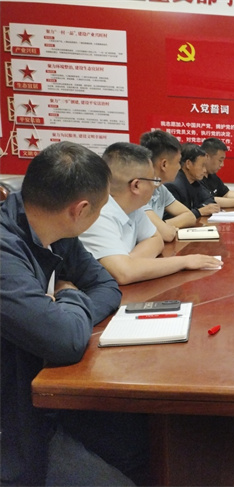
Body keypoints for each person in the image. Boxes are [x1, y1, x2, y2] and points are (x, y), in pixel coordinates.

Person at [0, 141, 146, 485]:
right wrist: (71, 295)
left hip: (41, 392)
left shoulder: (56, 231)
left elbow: (106, 285)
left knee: (140, 442)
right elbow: (64, 340)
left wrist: (64, 309)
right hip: (15, 422)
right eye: (101, 208)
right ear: (80, 210)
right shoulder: (6, 251)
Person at [80, 142, 221, 285]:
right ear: (136, 185)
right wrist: (184, 261)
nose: (156, 186)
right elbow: (123, 274)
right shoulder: (97, 214)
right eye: (153, 180)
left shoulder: (134, 206)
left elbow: (156, 239)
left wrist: (130, 262)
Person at [140, 130, 197, 242]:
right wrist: (164, 228)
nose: (179, 167)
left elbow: (190, 216)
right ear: (164, 164)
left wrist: (163, 225)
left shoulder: (160, 188)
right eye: (178, 162)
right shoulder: (137, 191)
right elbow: (167, 235)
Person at [165, 143, 221, 219]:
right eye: (202, 165)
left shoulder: (195, 182)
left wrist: (199, 210)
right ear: (188, 164)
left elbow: (210, 201)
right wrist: (199, 211)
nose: (205, 170)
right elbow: (172, 217)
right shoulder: (173, 185)